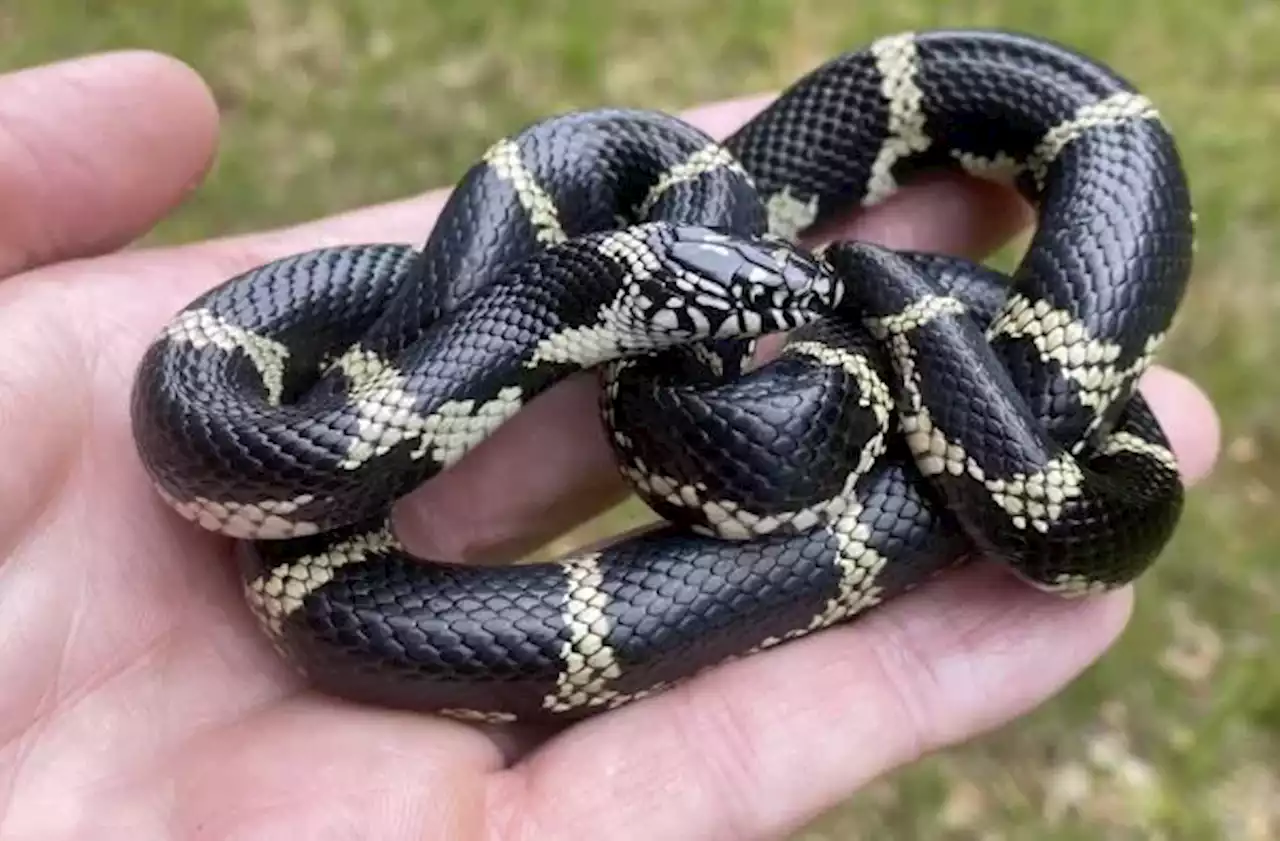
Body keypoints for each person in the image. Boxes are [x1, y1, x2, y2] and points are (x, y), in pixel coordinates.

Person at [0, 50, 1219, 839]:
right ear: (638, 303)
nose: (770, 310)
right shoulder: (281, 404)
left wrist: (880, 324)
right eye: (744, 305)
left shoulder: (625, 305)